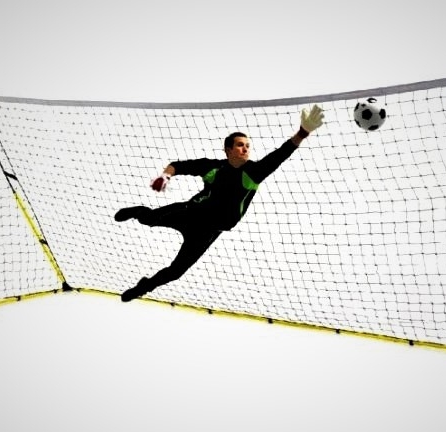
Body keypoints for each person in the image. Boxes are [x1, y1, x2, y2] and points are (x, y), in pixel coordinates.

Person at [115, 104, 324, 302]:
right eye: (240, 145)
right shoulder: (213, 167)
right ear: (228, 150)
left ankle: (143, 287)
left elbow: (280, 154)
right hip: (189, 213)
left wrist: (303, 132)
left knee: (176, 272)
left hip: (207, 231)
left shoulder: (254, 172)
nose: (245, 149)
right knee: (149, 219)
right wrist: (165, 176)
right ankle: (138, 211)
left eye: (248, 146)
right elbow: (177, 165)